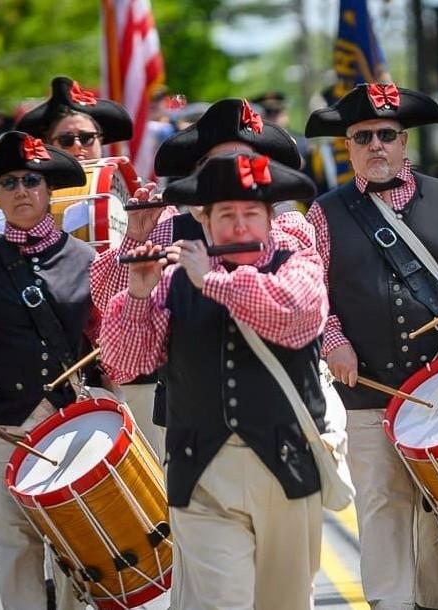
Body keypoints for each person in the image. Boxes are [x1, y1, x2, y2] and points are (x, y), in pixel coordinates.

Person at [304, 81, 438, 610]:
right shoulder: (323, 213)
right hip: (365, 387)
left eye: (387, 135)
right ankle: (389, 604)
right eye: (363, 135)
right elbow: (311, 295)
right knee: (381, 505)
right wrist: (333, 343)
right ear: (347, 146)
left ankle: (431, 602)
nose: (376, 145)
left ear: (404, 144)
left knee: (434, 506)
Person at [99, 152, 326, 610]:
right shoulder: (172, 280)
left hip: (286, 467)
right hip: (201, 473)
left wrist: (214, 283)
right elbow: (126, 362)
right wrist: (139, 294)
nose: (240, 227)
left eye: (250, 214)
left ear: (269, 219)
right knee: (222, 602)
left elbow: (295, 317)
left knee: (284, 603)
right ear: (204, 221)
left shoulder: (299, 264)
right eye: (226, 215)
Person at [89, 98, 309, 439]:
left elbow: (296, 308)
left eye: (241, 162)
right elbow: (108, 306)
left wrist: (208, 274)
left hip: (275, 408)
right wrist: (135, 237)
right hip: (188, 414)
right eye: (215, 165)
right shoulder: (168, 228)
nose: (228, 174)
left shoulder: (289, 227)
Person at [0, 131, 96, 610]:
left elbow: (106, 343)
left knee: (75, 546)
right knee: (12, 545)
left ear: (49, 189)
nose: (21, 190)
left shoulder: (89, 261)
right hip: (0, 424)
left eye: (31, 180)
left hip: (72, 423)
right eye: (10, 182)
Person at [17, 76, 132, 162]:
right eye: (65, 140)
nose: (77, 145)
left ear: (100, 140)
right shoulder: (38, 192)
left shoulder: (125, 188)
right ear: (49, 145)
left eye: (86, 138)